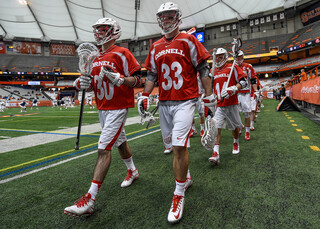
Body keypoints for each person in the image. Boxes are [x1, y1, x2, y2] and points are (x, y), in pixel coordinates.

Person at [137, 2, 215, 223]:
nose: (166, 20)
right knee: (172, 146)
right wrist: (144, 95)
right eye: (163, 16)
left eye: (170, 16)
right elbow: (152, 75)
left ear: (178, 18)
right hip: (164, 103)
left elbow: (203, 70)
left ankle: (178, 194)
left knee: (180, 146)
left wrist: (208, 97)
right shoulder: (155, 46)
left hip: (185, 101)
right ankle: (186, 179)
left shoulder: (189, 40)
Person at [64, 17, 142, 217]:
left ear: (113, 31)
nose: (98, 32)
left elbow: (138, 80)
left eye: (103, 29)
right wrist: (81, 84)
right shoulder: (93, 57)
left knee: (103, 148)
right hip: (103, 107)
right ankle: (133, 171)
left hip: (118, 107)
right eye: (97, 29)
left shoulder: (123, 53)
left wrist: (122, 79)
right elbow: (91, 85)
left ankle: (90, 198)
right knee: (120, 143)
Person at [208, 47, 247, 165]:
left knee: (234, 128)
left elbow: (244, 81)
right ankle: (216, 153)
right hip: (219, 104)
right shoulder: (213, 71)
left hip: (232, 104)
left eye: (220, 57)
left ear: (225, 57)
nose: (218, 59)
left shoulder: (232, 67)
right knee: (216, 127)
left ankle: (235, 141)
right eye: (216, 57)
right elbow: (210, 87)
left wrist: (234, 88)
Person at [235, 50, 258, 141]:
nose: (238, 59)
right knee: (236, 113)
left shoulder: (248, 67)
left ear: (243, 57)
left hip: (245, 93)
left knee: (246, 112)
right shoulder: (233, 67)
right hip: (236, 93)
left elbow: (252, 79)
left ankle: (247, 131)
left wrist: (255, 90)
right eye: (237, 57)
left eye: (240, 57)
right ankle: (240, 127)